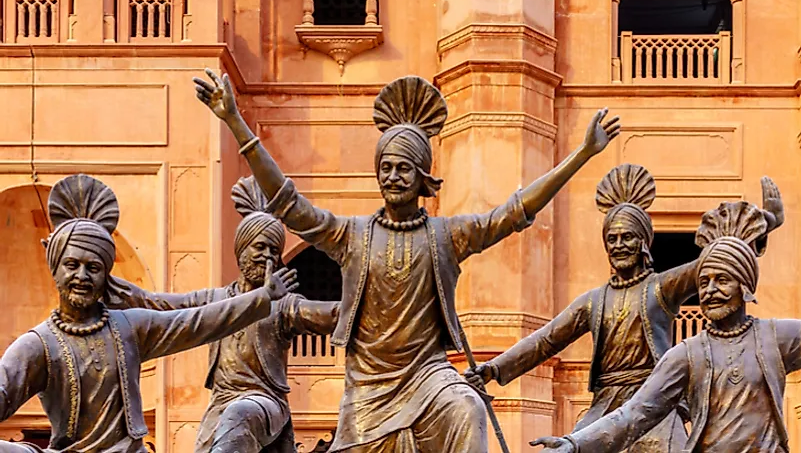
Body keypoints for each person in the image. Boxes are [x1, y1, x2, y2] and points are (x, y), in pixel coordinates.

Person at [192, 69, 620, 452]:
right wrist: (234, 121)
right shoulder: (351, 235)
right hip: (368, 386)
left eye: (404, 168)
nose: (393, 176)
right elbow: (290, 204)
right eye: (387, 167)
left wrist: (581, 155)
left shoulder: (446, 236)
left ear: (423, 177)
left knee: (467, 406)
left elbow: (512, 214)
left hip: (428, 375)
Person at [464, 166, 784, 451]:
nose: (618, 245)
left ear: (643, 243)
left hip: (655, 400)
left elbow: (714, 258)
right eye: (612, 239)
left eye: (627, 237)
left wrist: (763, 225)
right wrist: (494, 368)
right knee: (569, 447)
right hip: (604, 404)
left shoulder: (661, 287)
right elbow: (546, 340)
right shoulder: (592, 300)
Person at [0, 174, 294, 453]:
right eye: (72, 265)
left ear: (106, 276)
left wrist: (262, 298)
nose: (82, 276)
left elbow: (198, 322)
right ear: (56, 269)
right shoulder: (38, 345)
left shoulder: (128, 327)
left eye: (93, 268)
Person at [533, 196, 794, 453]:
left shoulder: (775, 337)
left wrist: (765, 223)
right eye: (703, 283)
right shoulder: (687, 355)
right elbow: (634, 413)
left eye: (722, 280)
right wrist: (574, 443)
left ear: (745, 285)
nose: (711, 290)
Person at [112, 176, 339, 453]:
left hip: (264, 403)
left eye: (273, 250)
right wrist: (114, 288)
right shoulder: (214, 300)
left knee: (240, 414)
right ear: (241, 250)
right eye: (260, 247)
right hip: (220, 405)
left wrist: (379, 302)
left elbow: (330, 314)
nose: (266, 256)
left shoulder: (283, 305)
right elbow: (161, 305)